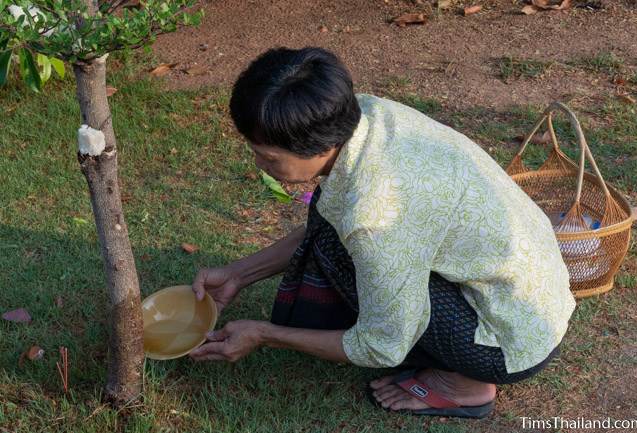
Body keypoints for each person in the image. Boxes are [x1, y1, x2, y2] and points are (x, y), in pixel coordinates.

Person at [189, 46, 576, 419]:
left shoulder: (374, 216)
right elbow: (330, 216)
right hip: (532, 291)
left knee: (343, 254)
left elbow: (381, 345)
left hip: (511, 342)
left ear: (318, 144)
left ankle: (466, 384)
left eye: (269, 157)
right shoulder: (366, 114)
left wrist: (265, 334)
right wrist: (239, 274)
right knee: (331, 232)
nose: (259, 164)